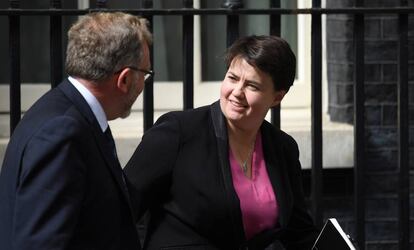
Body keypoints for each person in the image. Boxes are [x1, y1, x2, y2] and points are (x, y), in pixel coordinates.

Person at [124, 35, 319, 250]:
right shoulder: (178, 132)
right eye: (233, 78)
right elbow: (121, 211)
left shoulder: (283, 148)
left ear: (277, 97)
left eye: (252, 86)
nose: (237, 92)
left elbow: (299, 233)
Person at [0, 12, 152, 250]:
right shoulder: (63, 132)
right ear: (124, 79)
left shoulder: (65, 114)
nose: (144, 83)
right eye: (145, 74)